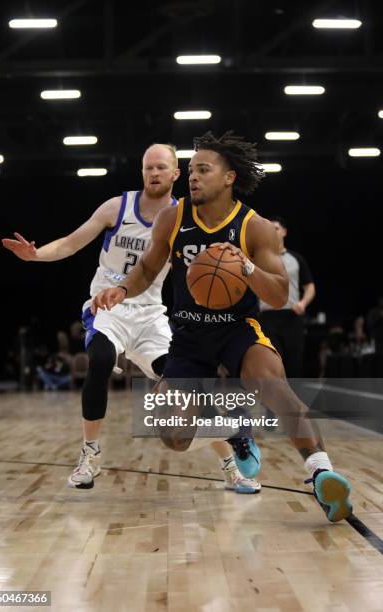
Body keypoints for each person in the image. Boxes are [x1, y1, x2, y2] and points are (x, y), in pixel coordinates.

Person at [92, 131, 353, 523]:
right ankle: (236, 428)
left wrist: (245, 267)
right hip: (189, 335)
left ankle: (320, 473)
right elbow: (147, 268)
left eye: (203, 170)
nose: (193, 177)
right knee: (172, 434)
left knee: (273, 386)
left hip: (238, 330)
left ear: (229, 177)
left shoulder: (254, 226)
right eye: (191, 170)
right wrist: (121, 289)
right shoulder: (173, 217)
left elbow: (280, 294)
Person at [2, 143, 261, 494]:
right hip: (108, 307)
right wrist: (35, 256)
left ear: (174, 174)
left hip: (151, 315)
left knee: (186, 392)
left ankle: (231, 465)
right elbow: (71, 243)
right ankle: (90, 454)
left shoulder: (183, 218)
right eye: (147, 167)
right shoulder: (116, 207)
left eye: (161, 168)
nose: (153, 173)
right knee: (102, 359)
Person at [259, 216, 315, 377]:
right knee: (272, 366)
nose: (272, 231)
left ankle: (292, 401)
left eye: (275, 228)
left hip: (292, 317)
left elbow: (310, 287)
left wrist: (303, 303)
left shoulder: (296, 259)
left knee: (294, 366)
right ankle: (271, 401)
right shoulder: (258, 259)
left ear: (284, 232)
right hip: (267, 318)